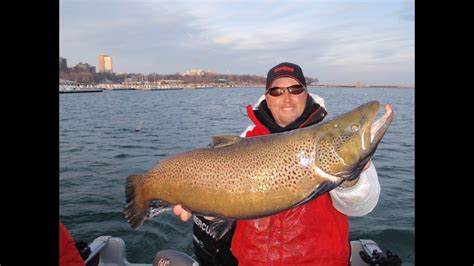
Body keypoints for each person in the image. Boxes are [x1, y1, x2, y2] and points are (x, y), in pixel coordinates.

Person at [173, 62, 380, 265]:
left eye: (295, 89)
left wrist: (350, 182)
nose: (287, 98)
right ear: (267, 97)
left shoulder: (333, 138)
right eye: (277, 91)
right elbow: (229, 199)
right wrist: (207, 209)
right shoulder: (245, 140)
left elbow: (362, 207)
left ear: (306, 94)